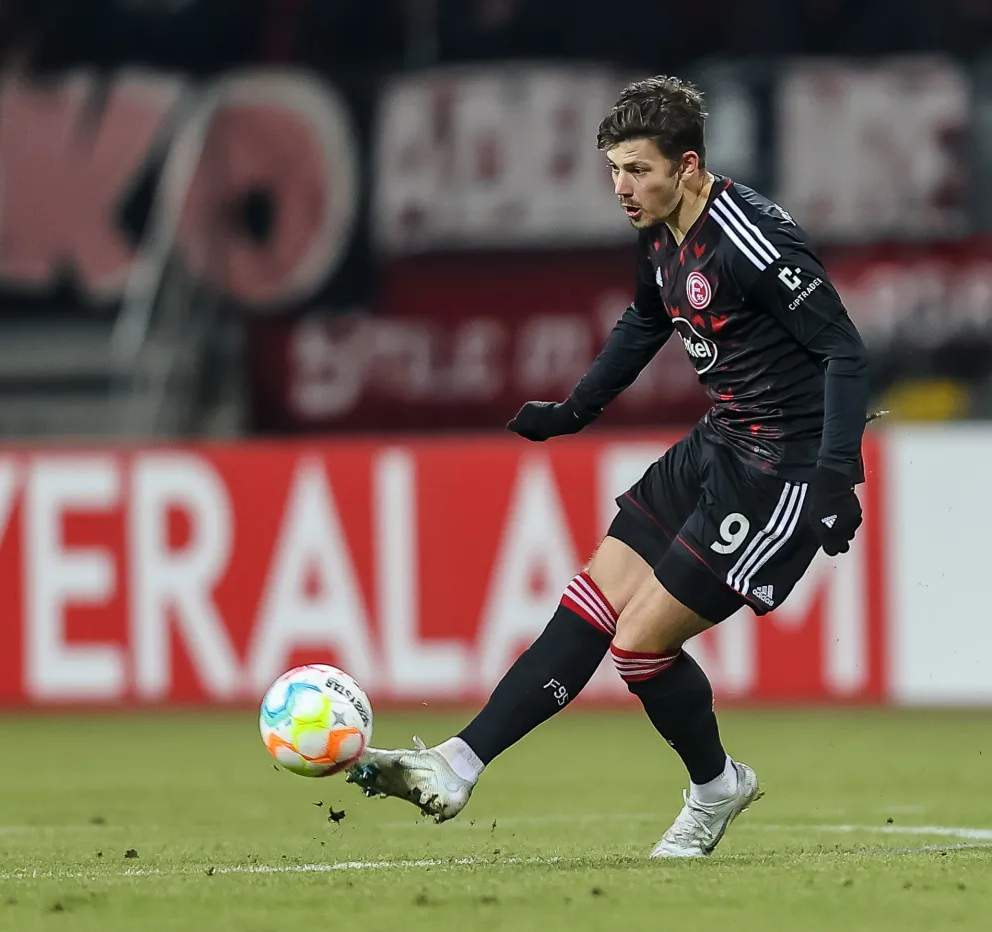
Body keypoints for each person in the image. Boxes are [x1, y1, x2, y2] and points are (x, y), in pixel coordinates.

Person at [349, 75, 870, 858]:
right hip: (720, 441)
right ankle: (457, 764)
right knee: (592, 599)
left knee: (638, 648)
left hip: (780, 472)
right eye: (614, 170)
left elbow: (843, 349)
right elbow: (646, 317)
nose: (622, 189)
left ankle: (715, 788)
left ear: (688, 166)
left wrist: (835, 478)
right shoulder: (660, 229)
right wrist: (576, 409)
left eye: (638, 170)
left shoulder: (752, 241)